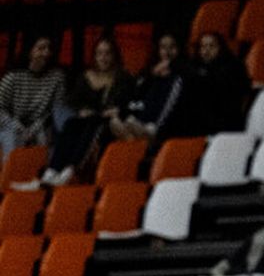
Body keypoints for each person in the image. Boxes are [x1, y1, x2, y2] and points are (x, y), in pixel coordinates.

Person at [40, 36, 133, 186]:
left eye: (107, 53)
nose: (103, 58)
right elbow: (74, 101)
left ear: (114, 55)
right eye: (99, 53)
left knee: (92, 124)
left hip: (107, 122)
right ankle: (52, 170)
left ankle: (70, 170)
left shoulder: (123, 77)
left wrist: (114, 110)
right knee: (71, 122)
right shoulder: (86, 76)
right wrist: (82, 110)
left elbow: (126, 103)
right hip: (86, 118)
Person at [108, 32, 185, 144]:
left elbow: (170, 106)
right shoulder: (150, 72)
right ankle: (134, 140)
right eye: (163, 47)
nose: (167, 52)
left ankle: (147, 136)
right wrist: (153, 75)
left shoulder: (181, 75)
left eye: (172, 47)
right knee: (118, 122)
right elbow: (136, 94)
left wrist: (171, 67)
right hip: (141, 121)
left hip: (160, 126)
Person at [0, 35, 65, 159]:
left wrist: (34, 129)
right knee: (12, 138)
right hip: (11, 124)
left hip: (40, 125)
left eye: (48, 48)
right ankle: (11, 175)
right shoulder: (13, 77)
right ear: (30, 52)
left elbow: (55, 109)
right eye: (41, 48)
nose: (46, 53)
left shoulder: (56, 77)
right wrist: (18, 128)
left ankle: (42, 174)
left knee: (44, 139)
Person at [180, 32, 249, 136]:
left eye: (211, 46)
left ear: (221, 48)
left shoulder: (233, 67)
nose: (206, 50)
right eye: (203, 46)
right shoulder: (193, 67)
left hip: (226, 122)